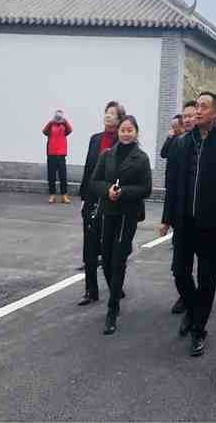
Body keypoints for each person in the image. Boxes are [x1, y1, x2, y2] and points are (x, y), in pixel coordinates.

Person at [160, 92, 216, 356]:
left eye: (205, 107)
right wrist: (167, 218)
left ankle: (198, 329)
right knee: (180, 273)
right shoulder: (182, 143)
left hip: (212, 224)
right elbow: (172, 183)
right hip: (184, 222)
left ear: (215, 113)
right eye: (197, 106)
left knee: (207, 280)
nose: (199, 110)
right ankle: (193, 312)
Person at [90, 115, 152, 335]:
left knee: (118, 261)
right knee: (106, 259)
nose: (126, 133)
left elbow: (146, 188)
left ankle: (112, 308)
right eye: (123, 130)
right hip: (109, 212)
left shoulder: (141, 158)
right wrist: (108, 190)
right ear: (118, 132)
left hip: (128, 215)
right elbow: (94, 182)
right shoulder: (107, 155)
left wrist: (123, 192)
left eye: (130, 130)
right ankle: (116, 290)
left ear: (136, 132)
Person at [77, 101, 126, 305]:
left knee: (110, 248)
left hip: (111, 200)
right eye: (106, 112)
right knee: (89, 246)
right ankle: (91, 290)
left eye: (112, 113)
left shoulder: (122, 141)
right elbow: (88, 169)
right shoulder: (95, 139)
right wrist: (84, 198)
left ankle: (115, 285)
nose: (108, 115)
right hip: (92, 198)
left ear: (120, 119)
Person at [164, 101, 198, 315]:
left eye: (191, 115)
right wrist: (166, 218)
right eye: (185, 116)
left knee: (204, 270)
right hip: (181, 215)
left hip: (203, 217)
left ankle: (195, 309)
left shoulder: (210, 144)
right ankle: (187, 297)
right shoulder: (177, 144)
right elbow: (171, 183)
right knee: (179, 268)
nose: (188, 120)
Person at [42, 109, 73, 204]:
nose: (58, 119)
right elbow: (44, 131)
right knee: (51, 176)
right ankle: (52, 195)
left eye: (60, 117)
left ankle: (64, 195)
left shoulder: (64, 125)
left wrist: (65, 121)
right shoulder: (51, 125)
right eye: (57, 116)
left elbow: (70, 130)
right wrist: (51, 122)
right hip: (51, 154)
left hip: (61, 154)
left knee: (63, 176)